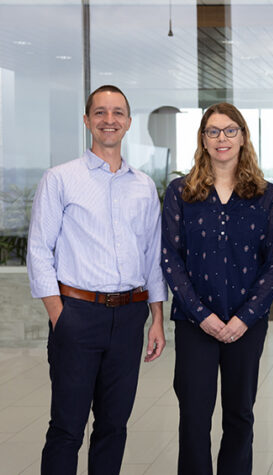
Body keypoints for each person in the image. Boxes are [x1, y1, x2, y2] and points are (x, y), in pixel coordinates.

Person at [27, 85, 167, 474]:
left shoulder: (142, 186)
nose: (110, 120)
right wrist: (60, 316)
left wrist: (156, 318)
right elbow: (39, 250)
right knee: (67, 428)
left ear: (128, 123)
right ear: (87, 121)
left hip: (129, 317)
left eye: (118, 113)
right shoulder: (60, 179)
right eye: (101, 113)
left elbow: (151, 255)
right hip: (78, 315)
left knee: (113, 426)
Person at [160, 102, 273, 474]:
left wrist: (244, 317)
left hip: (246, 325)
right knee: (194, 418)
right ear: (202, 139)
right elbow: (171, 260)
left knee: (240, 415)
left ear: (244, 137)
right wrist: (203, 316)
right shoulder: (180, 192)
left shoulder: (266, 196)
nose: (222, 139)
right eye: (213, 131)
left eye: (230, 130)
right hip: (195, 324)